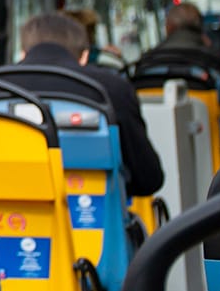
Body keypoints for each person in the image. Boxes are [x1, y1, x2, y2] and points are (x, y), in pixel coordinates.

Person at [12, 11, 164, 197]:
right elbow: (148, 178)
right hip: (97, 220)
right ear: (84, 56)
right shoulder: (112, 90)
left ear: (23, 53)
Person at [140, 2, 220, 151]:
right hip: (215, 152)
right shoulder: (215, 60)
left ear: (168, 27)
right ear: (200, 28)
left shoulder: (145, 63)